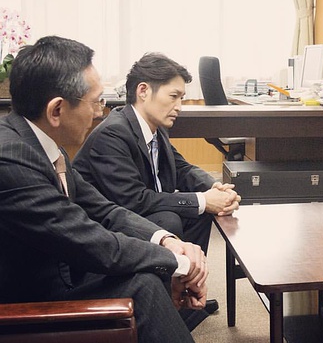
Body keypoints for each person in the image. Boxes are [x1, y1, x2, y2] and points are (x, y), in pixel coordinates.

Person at [0, 35, 208, 343]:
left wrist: (166, 241)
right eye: (96, 101)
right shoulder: (11, 159)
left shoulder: (42, 144)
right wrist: (180, 263)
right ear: (57, 110)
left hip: (60, 271)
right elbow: (90, 241)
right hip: (29, 298)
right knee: (146, 287)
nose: (100, 112)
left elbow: (104, 210)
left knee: (147, 277)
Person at [73, 52, 240, 324]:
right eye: (174, 96)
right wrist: (203, 199)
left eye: (182, 98)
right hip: (106, 225)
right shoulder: (113, 133)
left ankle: (187, 290)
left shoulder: (154, 126)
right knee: (170, 218)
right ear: (143, 91)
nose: (179, 106)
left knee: (198, 214)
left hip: (134, 211)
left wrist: (215, 188)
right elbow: (133, 200)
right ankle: (163, 308)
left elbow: (182, 168)